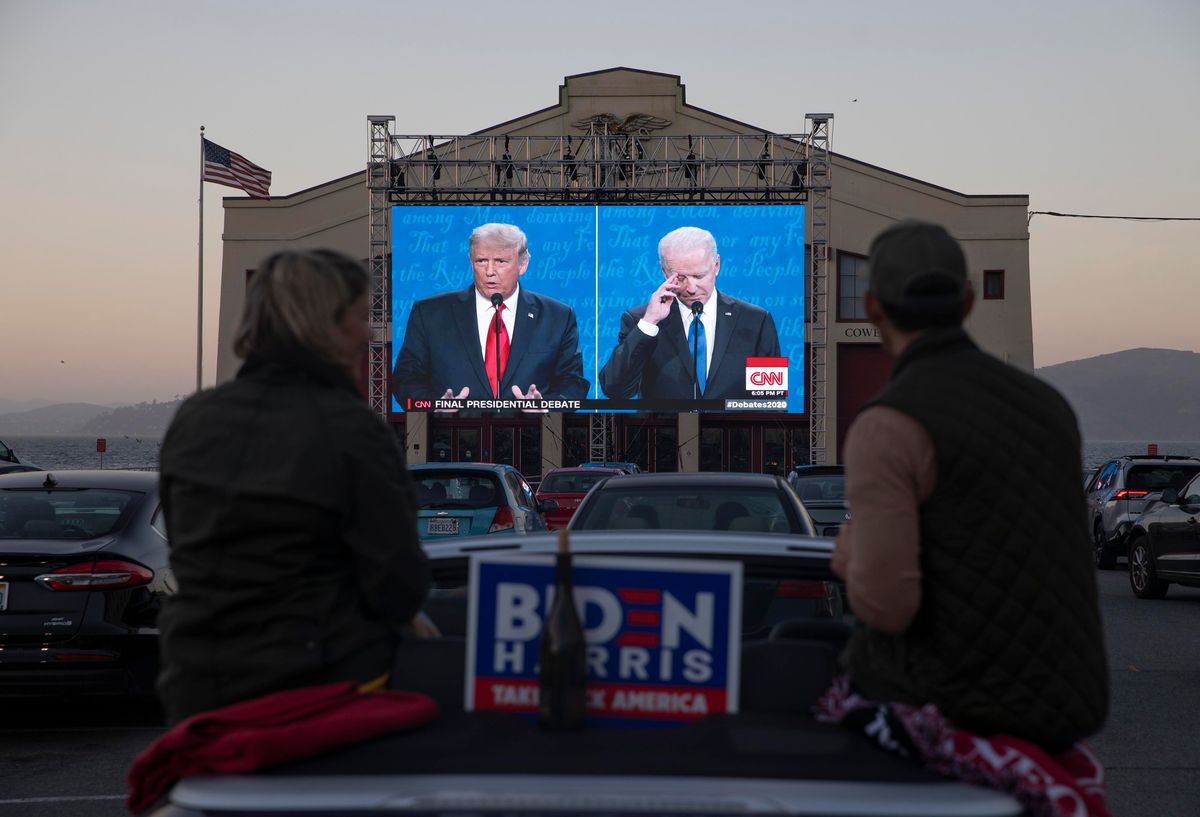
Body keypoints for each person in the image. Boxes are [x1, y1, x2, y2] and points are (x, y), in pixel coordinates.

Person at [830, 220, 1108, 750]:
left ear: (871, 307)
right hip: (1069, 709)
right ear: (968, 301)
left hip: (957, 712)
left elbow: (887, 606)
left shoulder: (888, 424)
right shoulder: (1049, 408)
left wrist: (847, 557)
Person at [157, 249, 433, 725]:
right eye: (362, 316)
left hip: (193, 683)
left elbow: (187, 546)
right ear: (325, 323)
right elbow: (398, 586)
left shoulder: (193, 419)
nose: (369, 333)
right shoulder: (352, 429)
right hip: (319, 686)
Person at [391, 223, 589, 406]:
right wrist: (435, 405)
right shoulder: (429, 313)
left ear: (523, 264)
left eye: (501, 261)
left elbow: (573, 383)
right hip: (451, 433)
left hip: (533, 435)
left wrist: (546, 406)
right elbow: (405, 380)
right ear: (471, 261)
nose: (490, 271)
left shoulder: (558, 317)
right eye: (481, 261)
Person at [598, 226, 780, 400]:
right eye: (681, 278)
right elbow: (615, 390)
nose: (691, 289)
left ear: (716, 265)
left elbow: (772, 400)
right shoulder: (640, 320)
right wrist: (649, 323)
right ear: (664, 271)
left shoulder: (756, 321)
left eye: (699, 276)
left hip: (732, 432)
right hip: (665, 431)